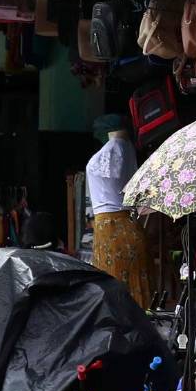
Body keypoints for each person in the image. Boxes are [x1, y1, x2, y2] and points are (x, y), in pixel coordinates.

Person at [86, 114, 152, 308]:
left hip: (112, 229)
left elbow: (112, 173)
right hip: (123, 227)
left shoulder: (114, 149)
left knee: (115, 292)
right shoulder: (127, 150)